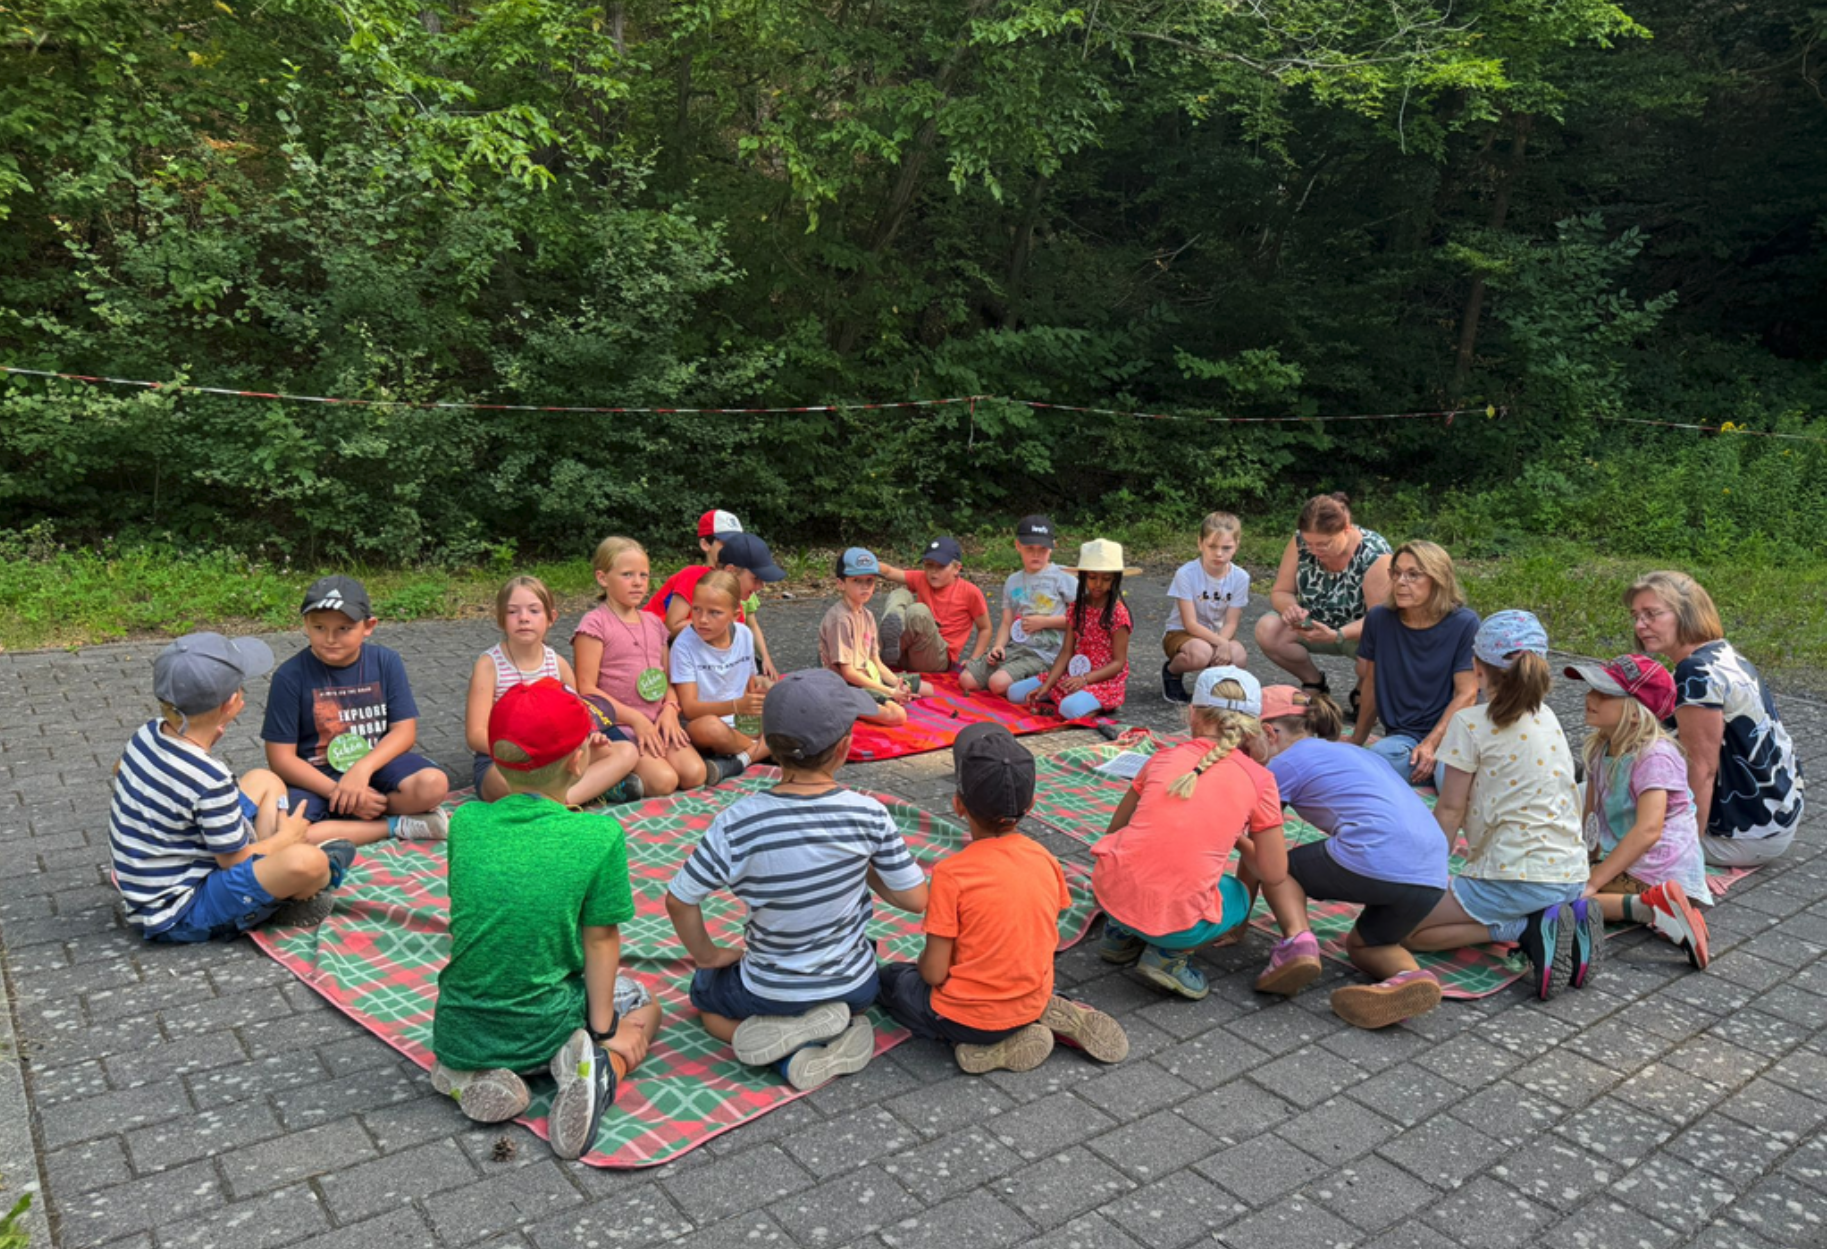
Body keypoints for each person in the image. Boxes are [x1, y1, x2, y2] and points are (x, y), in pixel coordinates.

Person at [430, 679, 662, 1161]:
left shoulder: (466, 823)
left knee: (490, 1005)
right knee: (642, 1000)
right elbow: (601, 940)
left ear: (497, 759)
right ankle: (596, 1066)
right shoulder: (598, 835)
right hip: (549, 1020)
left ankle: (466, 1076)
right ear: (580, 760)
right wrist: (605, 1029)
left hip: (461, 1027)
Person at [664, 669, 930, 1090]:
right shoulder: (869, 814)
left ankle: (778, 1053)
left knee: (705, 996)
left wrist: (709, 955)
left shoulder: (737, 822)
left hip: (768, 988)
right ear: (844, 748)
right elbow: (916, 899)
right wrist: (864, 867)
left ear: (769, 742)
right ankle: (832, 1031)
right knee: (855, 976)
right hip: (855, 985)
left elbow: (680, 899)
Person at [877, 723, 1129, 1073]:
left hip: (967, 1016)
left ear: (958, 806)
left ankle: (981, 1046)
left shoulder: (951, 874)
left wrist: (918, 968)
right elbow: (1040, 932)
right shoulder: (1045, 859)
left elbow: (934, 973)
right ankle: (1044, 1011)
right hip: (1030, 993)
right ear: (1033, 804)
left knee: (893, 981)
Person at [109, 633, 358, 941]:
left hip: (160, 879)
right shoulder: (209, 778)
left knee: (264, 779)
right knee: (310, 863)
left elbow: (122, 770)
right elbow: (233, 861)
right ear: (231, 703)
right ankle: (293, 891)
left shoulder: (147, 733)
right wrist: (285, 839)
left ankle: (274, 873)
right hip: (180, 911)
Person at [1403, 611, 1596, 1000]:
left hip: (1515, 876)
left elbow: (1450, 809)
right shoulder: (1550, 716)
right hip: (1572, 873)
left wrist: (1425, 875)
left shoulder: (1470, 723)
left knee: (1406, 930)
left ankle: (1524, 929)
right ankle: (1560, 921)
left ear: (1477, 668)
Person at [1092, 668, 1307, 1001]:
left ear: (1192, 712)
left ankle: (1119, 936)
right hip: (1180, 924)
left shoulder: (1162, 758)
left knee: (1139, 862)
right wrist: (1236, 836)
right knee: (1237, 892)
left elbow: (1115, 831)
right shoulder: (1260, 780)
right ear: (1253, 726)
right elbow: (1275, 873)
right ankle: (1168, 958)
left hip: (1110, 895)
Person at [1255, 686, 1450, 1029]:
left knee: (1279, 867)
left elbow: (1261, 841)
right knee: (1367, 945)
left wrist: (1239, 923)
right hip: (1432, 872)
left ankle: (1297, 942)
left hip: (1374, 853)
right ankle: (1410, 977)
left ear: (1270, 733)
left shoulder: (1284, 762)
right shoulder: (1360, 753)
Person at [1627, 570, 1803, 866]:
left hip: (1742, 837)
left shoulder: (1696, 673)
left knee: (1600, 815)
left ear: (1686, 615)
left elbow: (1703, 768)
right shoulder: (1722, 654)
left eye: (1651, 614)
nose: (1640, 625)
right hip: (1776, 820)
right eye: (1636, 615)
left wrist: (1687, 852)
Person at [261, 576, 451, 845]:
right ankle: (396, 825)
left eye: (344, 629)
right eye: (318, 627)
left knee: (434, 784)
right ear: (305, 625)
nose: (330, 638)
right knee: (285, 836)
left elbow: (404, 732)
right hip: (317, 777)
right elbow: (281, 759)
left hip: (376, 765)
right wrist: (339, 790)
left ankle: (351, 818)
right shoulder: (289, 676)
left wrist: (362, 770)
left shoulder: (386, 661)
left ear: (368, 626)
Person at [1565, 654, 1712, 969]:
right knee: (1558, 880)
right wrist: (1582, 861)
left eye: (1604, 694)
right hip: (1626, 856)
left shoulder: (1655, 755)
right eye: (1591, 689)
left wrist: (1593, 881)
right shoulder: (1600, 747)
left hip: (1661, 867)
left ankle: (1656, 909)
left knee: (1562, 900)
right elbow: (1591, 819)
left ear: (1635, 713)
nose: (1589, 698)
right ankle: (1652, 906)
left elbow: (1649, 830)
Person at [463, 575, 642, 804]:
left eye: (534, 611)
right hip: (506, 764)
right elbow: (476, 735)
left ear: (551, 618)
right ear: (501, 619)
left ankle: (555, 801)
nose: (524, 618)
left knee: (626, 751)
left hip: (556, 762)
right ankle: (581, 794)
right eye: (512, 612)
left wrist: (590, 738)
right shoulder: (489, 665)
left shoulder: (557, 665)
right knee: (499, 783)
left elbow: (578, 720)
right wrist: (522, 753)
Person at [572, 537, 717, 795]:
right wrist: (636, 719)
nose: (638, 582)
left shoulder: (653, 623)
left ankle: (636, 772)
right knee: (664, 782)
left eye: (644, 575)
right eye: (627, 574)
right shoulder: (595, 624)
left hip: (659, 721)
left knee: (695, 774)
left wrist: (671, 710)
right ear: (603, 578)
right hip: (619, 725)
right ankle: (613, 782)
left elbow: (668, 680)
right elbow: (586, 688)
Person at [1351, 540, 1480, 789]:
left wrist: (1432, 743)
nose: (1400, 582)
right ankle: (1422, 769)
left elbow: (1467, 694)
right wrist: (1357, 739)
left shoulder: (1464, 624)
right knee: (1370, 764)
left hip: (1455, 737)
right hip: (1404, 739)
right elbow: (1371, 685)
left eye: (1413, 575)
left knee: (1451, 784)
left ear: (1438, 579)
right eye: (1396, 573)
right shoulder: (1379, 619)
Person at [1253, 493, 1393, 715]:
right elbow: (1281, 591)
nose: (1315, 551)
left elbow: (1381, 619)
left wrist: (1338, 634)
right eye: (1310, 544)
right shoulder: (1299, 542)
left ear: (1346, 529)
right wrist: (1290, 608)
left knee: (1386, 649)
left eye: (1324, 544)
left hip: (1357, 633)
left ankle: (1362, 689)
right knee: (1267, 629)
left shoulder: (1375, 555)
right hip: (1312, 624)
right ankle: (1314, 681)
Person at [646, 510, 782, 679]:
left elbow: (736, 638)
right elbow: (670, 629)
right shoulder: (696, 577)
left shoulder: (733, 598)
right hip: (651, 647)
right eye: (726, 543)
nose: (761, 586)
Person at [1008, 539, 1135, 720]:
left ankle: (1099, 706)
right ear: (1083, 577)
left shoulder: (1117, 613)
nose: (1098, 584)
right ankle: (1064, 699)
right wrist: (1047, 685)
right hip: (1073, 673)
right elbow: (1066, 651)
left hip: (1102, 680)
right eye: (1092, 577)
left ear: (1114, 580)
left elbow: (1118, 663)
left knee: (1069, 708)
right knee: (1015, 692)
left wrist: (1085, 679)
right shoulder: (1076, 607)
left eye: (1106, 579)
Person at [960, 515, 1077, 699]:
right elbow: (1006, 623)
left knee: (997, 683)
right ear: (1018, 546)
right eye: (1030, 549)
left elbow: (1081, 619)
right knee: (967, 679)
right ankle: (1014, 676)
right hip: (1016, 647)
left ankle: (1049, 679)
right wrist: (998, 647)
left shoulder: (1063, 578)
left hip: (1044, 654)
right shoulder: (1012, 581)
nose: (1036, 554)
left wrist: (1045, 622)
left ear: (1053, 547)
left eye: (1043, 549)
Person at [672, 570, 772, 775]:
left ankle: (741, 760)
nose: (702, 620)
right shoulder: (684, 645)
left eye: (714, 612)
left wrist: (762, 691)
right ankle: (765, 750)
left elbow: (750, 682)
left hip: (742, 721)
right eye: (696, 610)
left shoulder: (744, 634)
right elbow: (689, 709)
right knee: (710, 728)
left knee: (794, 704)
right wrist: (736, 705)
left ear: (734, 615)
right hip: (705, 725)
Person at [820, 547, 921, 729]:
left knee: (923, 687)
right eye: (857, 580)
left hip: (867, 677)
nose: (865, 586)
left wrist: (898, 684)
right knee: (897, 715)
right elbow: (848, 673)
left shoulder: (867, 615)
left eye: (870, 581)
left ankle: (879, 697)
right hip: (845, 686)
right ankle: (843, 707)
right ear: (840, 584)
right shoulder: (840, 619)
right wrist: (889, 691)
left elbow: (876, 661)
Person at [1160, 512, 1251, 704]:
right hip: (1183, 633)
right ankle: (1172, 672)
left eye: (1226, 548)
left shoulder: (1241, 577)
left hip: (1219, 634)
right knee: (1201, 653)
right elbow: (1190, 623)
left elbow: (1232, 621)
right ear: (1200, 543)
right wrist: (1221, 644)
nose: (1219, 554)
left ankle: (1214, 687)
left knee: (1239, 657)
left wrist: (1223, 643)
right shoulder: (1186, 574)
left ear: (1237, 546)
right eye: (1212, 546)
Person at [877, 536, 992, 676]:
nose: (933, 571)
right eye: (929, 565)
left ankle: (882, 649)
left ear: (957, 568)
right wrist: (865, 562)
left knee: (918, 611)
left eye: (941, 566)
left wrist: (974, 660)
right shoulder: (922, 578)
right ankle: (888, 646)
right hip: (907, 652)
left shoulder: (970, 592)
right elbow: (889, 572)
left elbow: (985, 628)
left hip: (937, 659)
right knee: (900, 593)